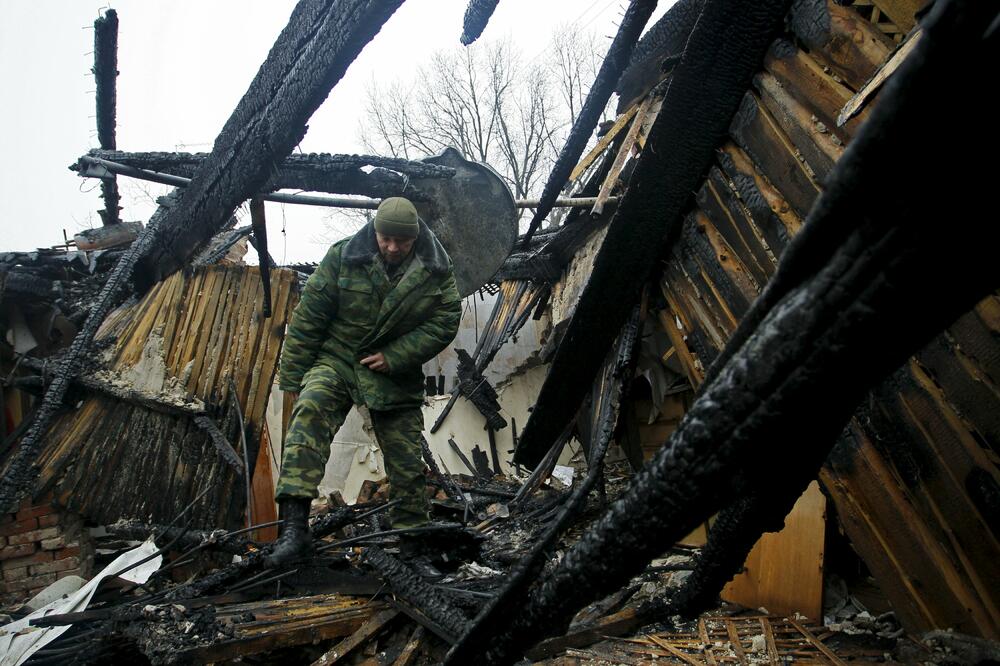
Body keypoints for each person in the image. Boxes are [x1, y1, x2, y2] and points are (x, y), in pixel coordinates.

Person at [269, 196, 462, 565]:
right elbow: (309, 318)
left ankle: (413, 545)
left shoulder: (436, 269)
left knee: (406, 458)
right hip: (339, 358)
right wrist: (293, 377)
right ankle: (293, 530)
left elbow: (445, 321)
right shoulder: (344, 256)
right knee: (309, 415)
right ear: (375, 231)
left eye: (400, 242)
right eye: (384, 238)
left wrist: (396, 356)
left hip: (393, 371)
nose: (391, 248)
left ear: (414, 237)